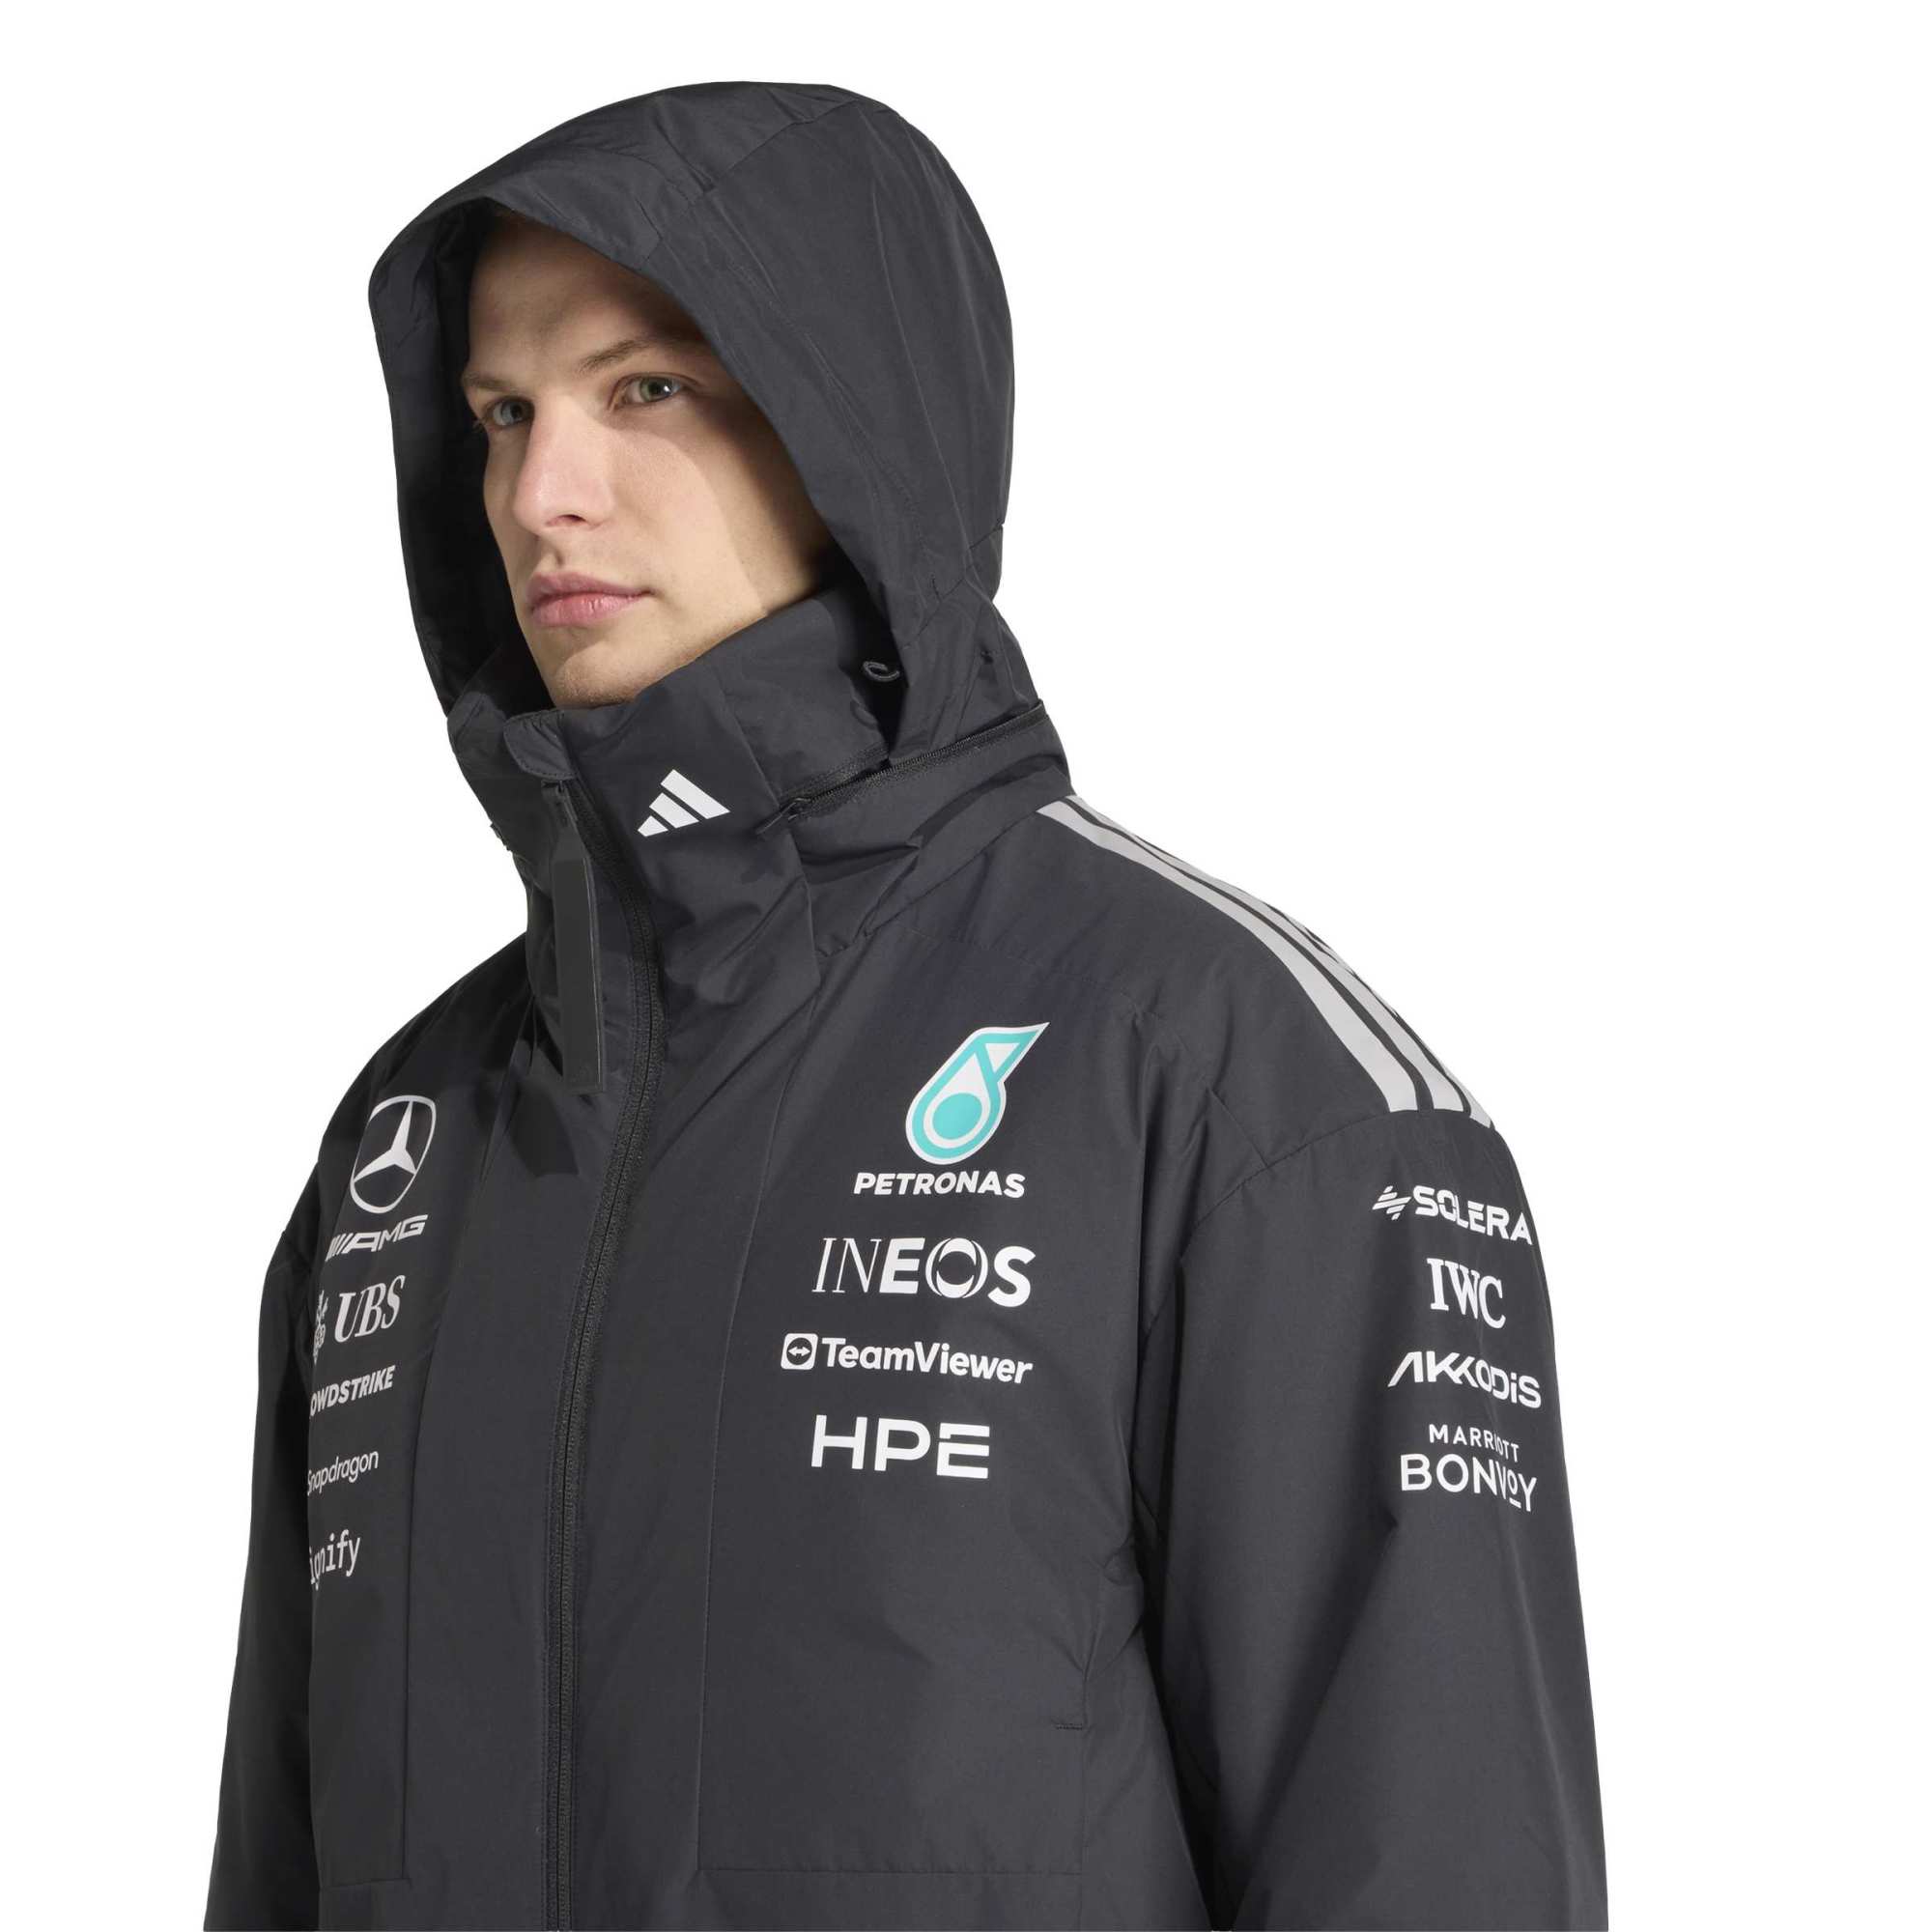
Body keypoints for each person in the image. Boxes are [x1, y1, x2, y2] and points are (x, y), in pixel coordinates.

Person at [204, 79, 1607, 1932]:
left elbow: (1436, 1872)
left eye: (648, 388)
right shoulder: (416, 1137)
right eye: (502, 414)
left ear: (853, 427)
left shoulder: (1238, 1080)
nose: (543, 495)